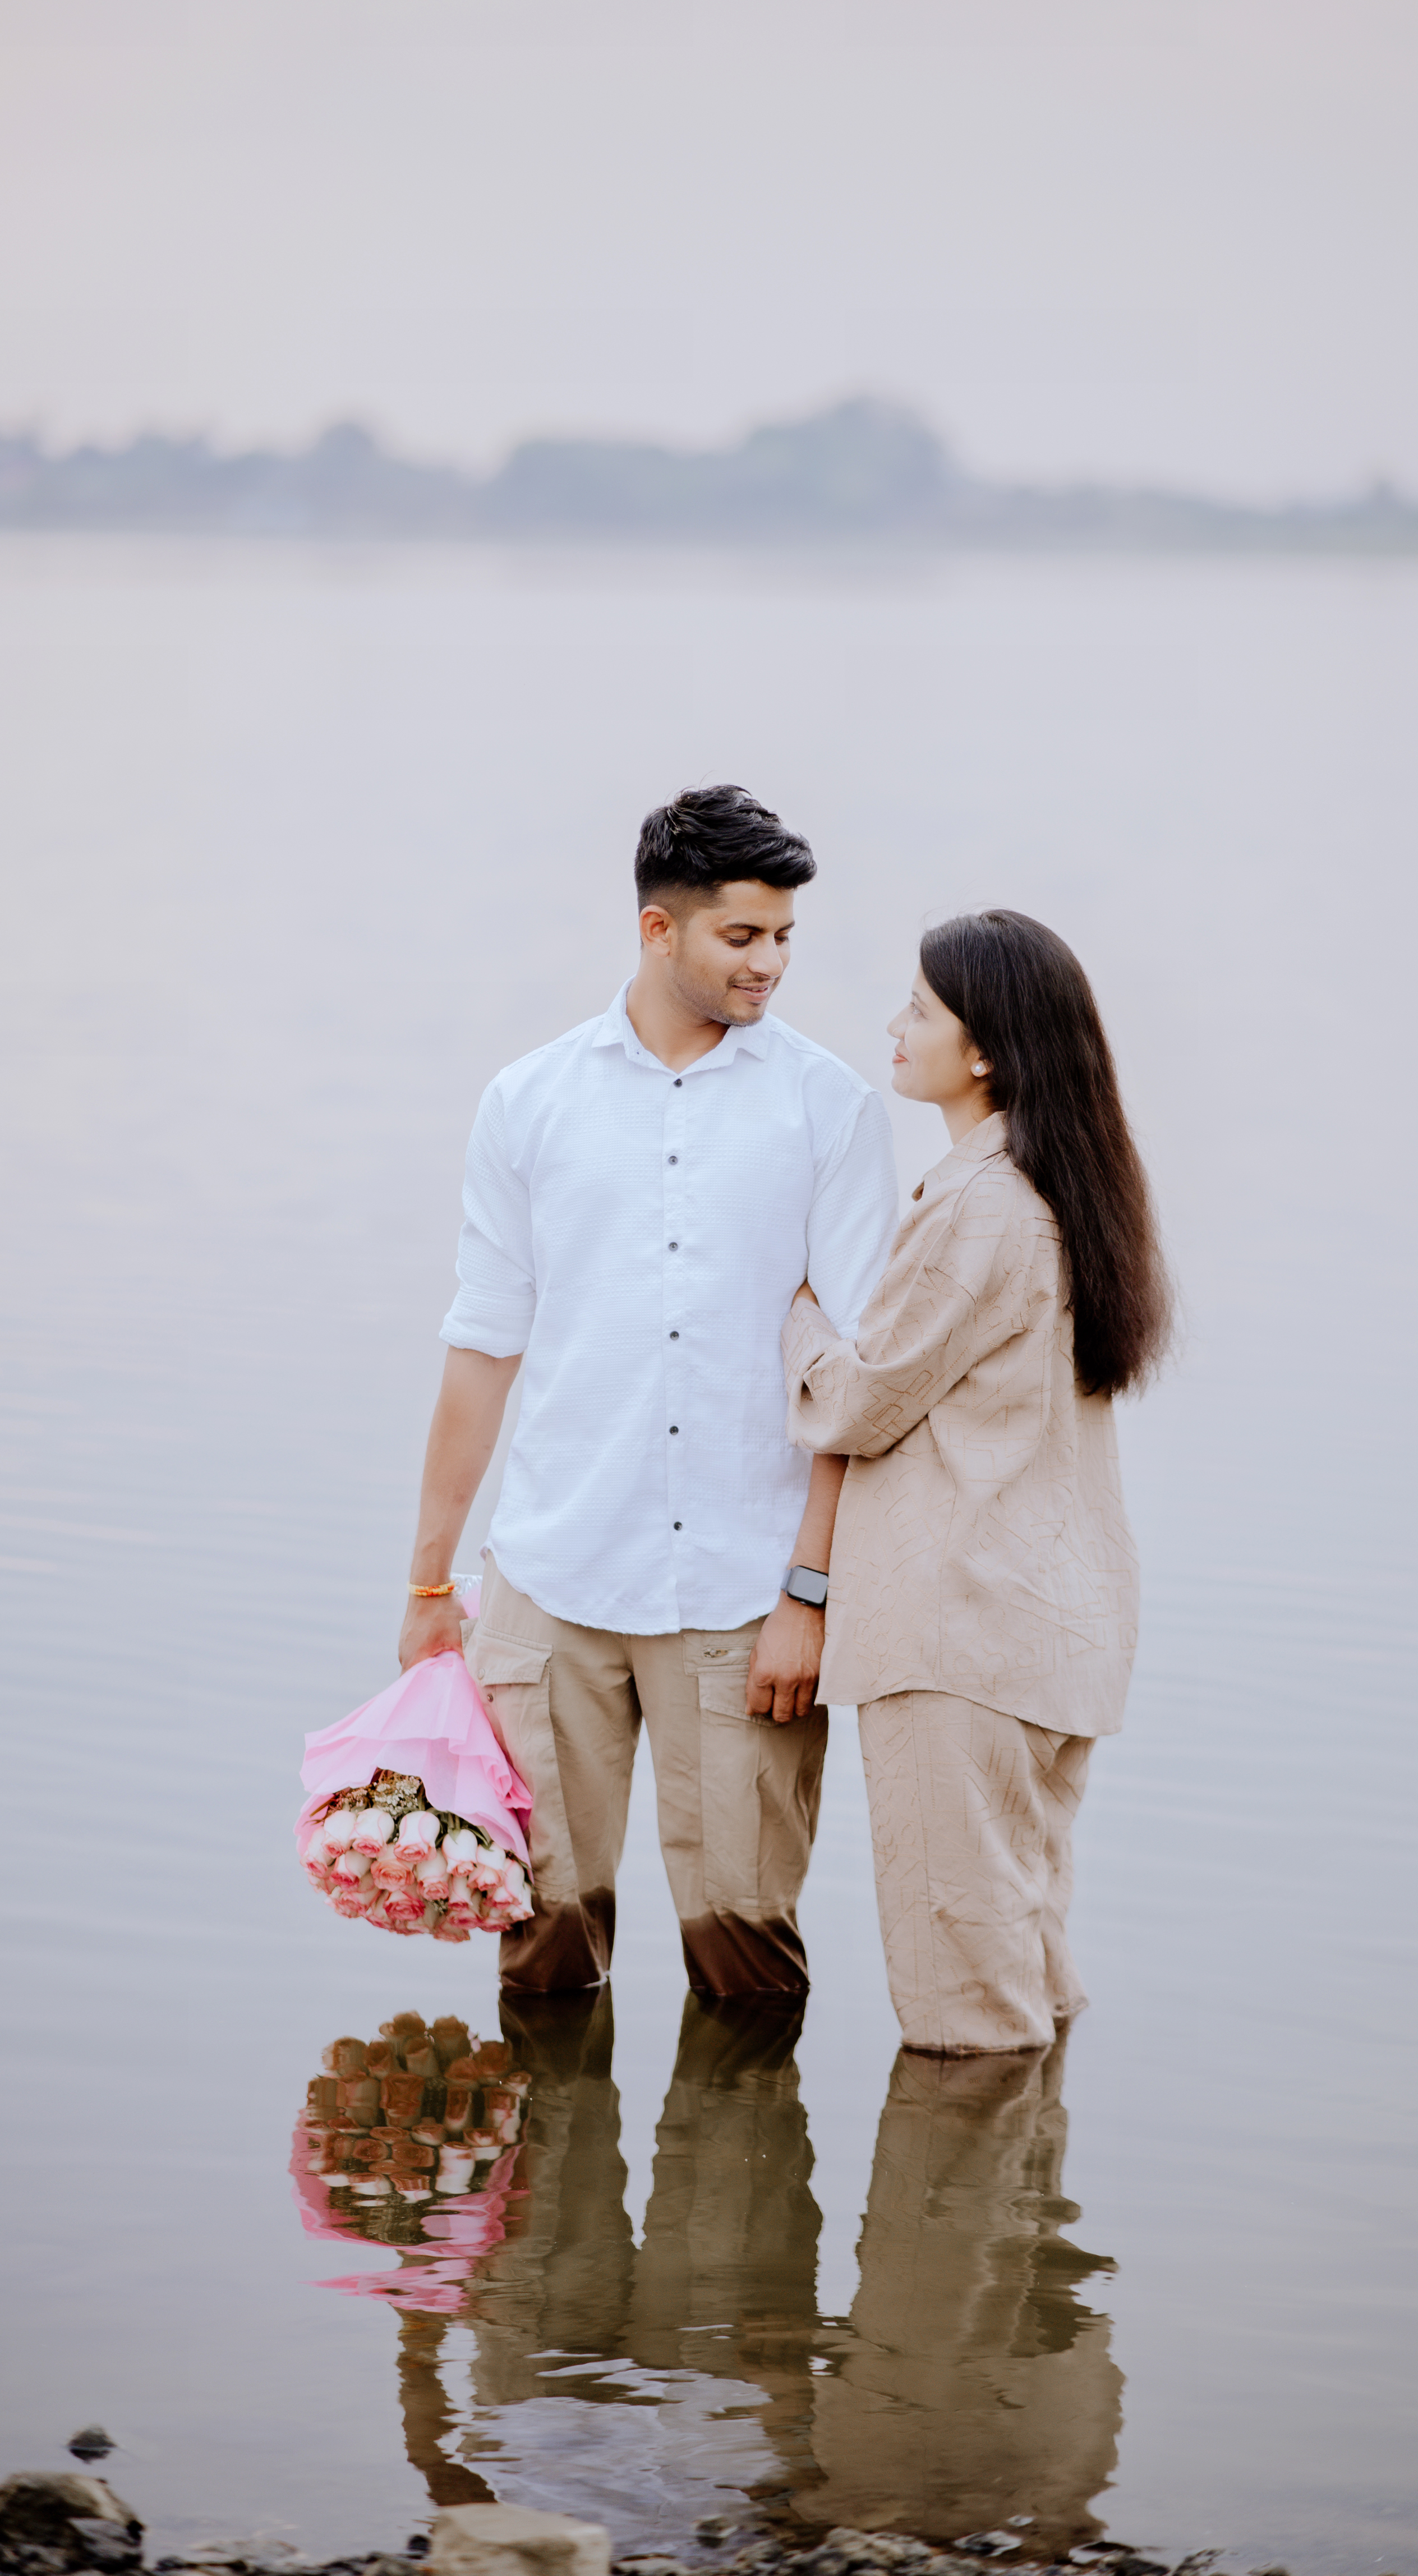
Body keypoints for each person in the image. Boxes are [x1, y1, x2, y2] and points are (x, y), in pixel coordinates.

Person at [397, 784, 899, 1999]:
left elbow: (859, 1381)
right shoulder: (530, 1099)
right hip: (549, 1583)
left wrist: (812, 1593)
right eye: (743, 935)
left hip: (744, 1594)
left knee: (745, 1943)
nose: (770, 963)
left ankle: (737, 2177)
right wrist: (428, 1582)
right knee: (543, 1937)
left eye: (785, 937)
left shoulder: (827, 1108)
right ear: (657, 930)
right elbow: (483, 1346)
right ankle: (551, 2178)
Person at [777, 909, 1172, 2054]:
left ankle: (954, 2225)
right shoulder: (1068, 1189)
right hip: (1050, 1632)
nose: (895, 1027)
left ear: (986, 1049)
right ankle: (1020, 2213)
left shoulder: (978, 1205)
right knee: (1026, 1964)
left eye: (920, 1009)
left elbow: (858, 1399)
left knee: (966, 2008)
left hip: (960, 1639)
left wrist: (797, 1321)